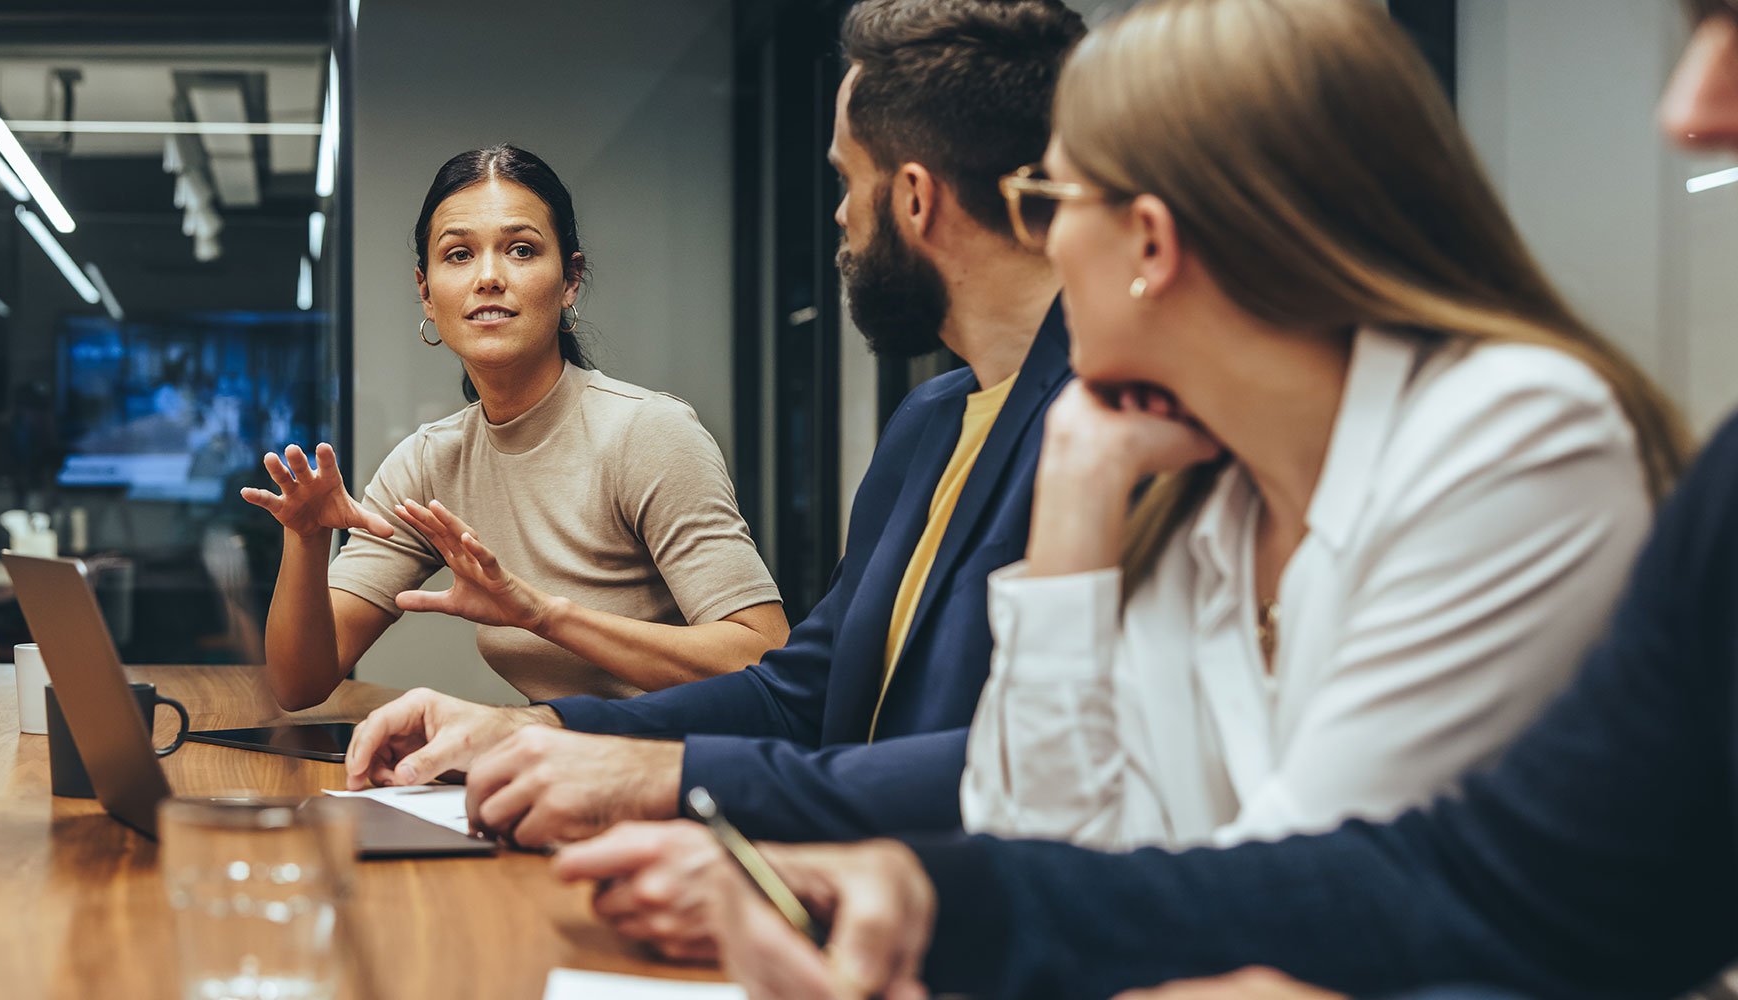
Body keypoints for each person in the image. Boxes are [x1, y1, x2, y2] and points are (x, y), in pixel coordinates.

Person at [577, 2, 1738, 998]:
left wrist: (942, 900)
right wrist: (1077, 501)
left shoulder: (1512, 431)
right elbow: (1049, 839)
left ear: (1146, 243)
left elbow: (1303, 904)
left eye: (1049, 199)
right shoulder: (1195, 481)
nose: (1037, 241)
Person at [339, 0, 1087, 862]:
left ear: (914, 197)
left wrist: (652, 777)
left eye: (848, 181)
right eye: (458, 256)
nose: (839, 217)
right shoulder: (927, 424)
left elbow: (1040, 773)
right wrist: (530, 728)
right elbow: (798, 694)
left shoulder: (1109, 435)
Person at [244, 144, 787, 710]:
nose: (488, 277)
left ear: (570, 280)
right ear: (426, 293)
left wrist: (542, 614)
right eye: (457, 255)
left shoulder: (647, 433)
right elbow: (298, 684)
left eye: (521, 250)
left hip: (684, 775)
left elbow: (761, 663)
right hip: (551, 772)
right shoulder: (431, 462)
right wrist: (307, 542)